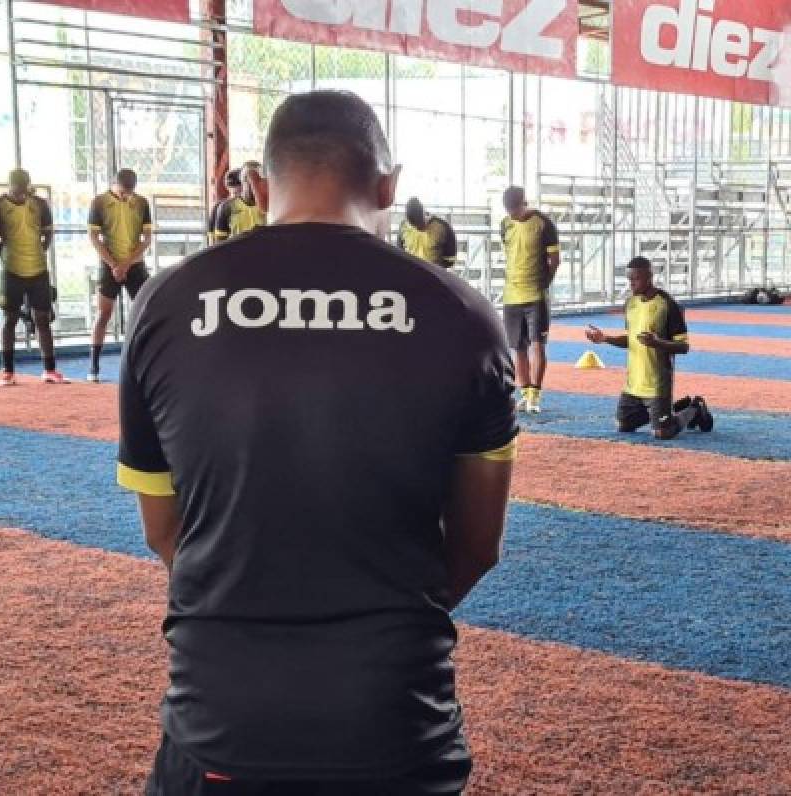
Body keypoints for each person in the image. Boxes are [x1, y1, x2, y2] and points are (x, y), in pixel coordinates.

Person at [117, 90, 516, 794]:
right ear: (390, 185)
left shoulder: (168, 304)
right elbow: (477, 547)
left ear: (260, 185)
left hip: (222, 725)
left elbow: (163, 533)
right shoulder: (464, 316)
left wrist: (254, 599)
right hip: (392, 727)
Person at [585, 256, 712, 440]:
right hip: (633, 384)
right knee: (623, 425)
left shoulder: (667, 304)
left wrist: (657, 343)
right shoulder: (630, 304)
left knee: (662, 432)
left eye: (635, 279)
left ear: (649, 277)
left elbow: (683, 346)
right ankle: (671, 409)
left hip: (657, 385)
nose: (631, 284)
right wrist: (604, 338)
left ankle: (694, 409)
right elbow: (632, 340)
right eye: (629, 279)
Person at [0, 169, 68, 386]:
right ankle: (8, 371)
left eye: (24, 191)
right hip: (11, 271)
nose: (20, 195)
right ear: (9, 187)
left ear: (28, 187)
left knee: (42, 319)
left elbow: (48, 232)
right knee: (9, 320)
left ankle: (50, 370)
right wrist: (5, 253)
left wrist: (41, 249)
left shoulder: (40, 204)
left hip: (38, 271)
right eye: (16, 192)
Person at [87, 168, 153, 383]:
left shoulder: (142, 203)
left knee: (145, 313)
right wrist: (114, 264)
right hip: (109, 265)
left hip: (135, 264)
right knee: (104, 314)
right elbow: (95, 238)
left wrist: (126, 263)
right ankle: (94, 366)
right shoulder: (99, 202)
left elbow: (147, 239)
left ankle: (144, 362)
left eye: (130, 192)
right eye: (124, 192)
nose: (127, 196)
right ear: (114, 184)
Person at [500, 185, 559, 414]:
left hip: (535, 295)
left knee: (537, 344)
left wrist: (546, 281)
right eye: (508, 210)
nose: (512, 214)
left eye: (515, 209)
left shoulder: (544, 223)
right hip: (511, 295)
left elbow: (554, 259)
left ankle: (535, 394)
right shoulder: (504, 225)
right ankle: (524, 393)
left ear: (524, 202)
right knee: (517, 347)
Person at [212, 161, 266, 241]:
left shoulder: (268, 206)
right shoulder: (226, 207)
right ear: (243, 181)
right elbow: (219, 242)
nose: (255, 186)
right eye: (251, 181)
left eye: (259, 181)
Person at [397, 197, 458, 268]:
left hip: (433, 275)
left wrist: (435, 269)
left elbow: (450, 259)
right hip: (411, 273)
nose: (419, 229)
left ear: (424, 214)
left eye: (420, 224)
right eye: (414, 226)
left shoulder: (443, 227)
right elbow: (400, 254)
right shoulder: (403, 227)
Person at [208, 168, 243, 241]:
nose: (237, 197)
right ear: (228, 188)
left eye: (240, 193)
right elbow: (212, 238)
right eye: (235, 193)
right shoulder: (220, 207)